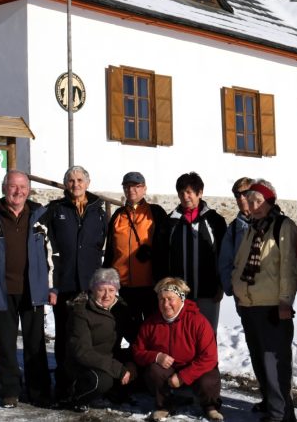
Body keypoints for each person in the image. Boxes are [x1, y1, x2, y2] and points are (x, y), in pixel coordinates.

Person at [0, 169, 53, 408]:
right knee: (5, 344)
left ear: (28, 190)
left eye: (23, 187)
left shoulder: (39, 216)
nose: (18, 191)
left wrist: (52, 287)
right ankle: (10, 390)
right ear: (4, 189)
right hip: (0, 292)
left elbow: (52, 255)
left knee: (35, 344)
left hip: (33, 291)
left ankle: (39, 391)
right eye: (13, 187)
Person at [231, 180, 297, 422]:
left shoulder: (283, 226)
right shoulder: (252, 227)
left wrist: (285, 301)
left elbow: (289, 268)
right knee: (260, 361)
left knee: (274, 365)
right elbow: (240, 262)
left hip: (272, 306)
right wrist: (238, 291)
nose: (254, 205)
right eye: (250, 201)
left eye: (259, 200)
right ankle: (275, 409)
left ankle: (281, 416)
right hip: (249, 304)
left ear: (270, 201)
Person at [45, 165, 108, 402]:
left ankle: (87, 385)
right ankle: (63, 385)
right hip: (64, 285)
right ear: (65, 185)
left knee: (88, 337)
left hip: (90, 286)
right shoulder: (55, 210)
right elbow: (46, 247)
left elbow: (102, 245)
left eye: (80, 180)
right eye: (71, 181)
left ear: (88, 183)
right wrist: (52, 285)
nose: (76, 184)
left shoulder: (98, 211)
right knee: (64, 335)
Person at [132, 277, 223, 421]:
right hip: (168, 372)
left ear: (181, 299)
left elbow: (209, 357)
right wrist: (156, 357)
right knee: (154, 370)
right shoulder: (150, 323)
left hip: (194, 370)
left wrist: (183, 377)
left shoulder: (198, 321)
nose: (165, 304)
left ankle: (210, 407)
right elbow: (137, 351)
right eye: (161, 299)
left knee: (209, 378)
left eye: (170, 299)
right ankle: (164, 406)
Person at [158, 172, 227, 332]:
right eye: (181, 193)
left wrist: (221, 286)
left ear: (200, 193)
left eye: (189, 192)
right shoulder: (171, 222)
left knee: (207, 334)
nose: (185, 196)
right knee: (181, 335)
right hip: (178, 293)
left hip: (208, 292)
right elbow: (162, 256)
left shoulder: (215, 221)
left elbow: (224, 256)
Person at [103, 171, 168, 342]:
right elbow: (110, 250)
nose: (131, 190)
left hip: (150, 286)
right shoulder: (118, 215)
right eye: (127, 186)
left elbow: (167, 244)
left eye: (136, 186)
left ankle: (150, 365)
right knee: (128, 331)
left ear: (144, 189)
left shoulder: (155, 213)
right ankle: (133, 363)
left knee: (153, 331)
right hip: (123, 287)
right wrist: (105, 279)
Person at [66, 268, 137, 412]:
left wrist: (131, 362)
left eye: (111, 290)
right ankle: (76, 397)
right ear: (93, 290)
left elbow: (135, 337)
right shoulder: (81, 311)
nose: (107, 295)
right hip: (85, 363)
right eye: (101, 290)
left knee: (139, 365)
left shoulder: (121, 308)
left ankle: (113, 392)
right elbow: (83, 352)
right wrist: (118, 369)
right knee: (103, 381)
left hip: (109, 358)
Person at [217, 177, 254, 300]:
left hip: (268, 295)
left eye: (245, 193)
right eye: (237, 195)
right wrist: (231, 287)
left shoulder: (270, 223)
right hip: (242, 295)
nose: (241, 198)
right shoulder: (233, 229)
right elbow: (225, 261)